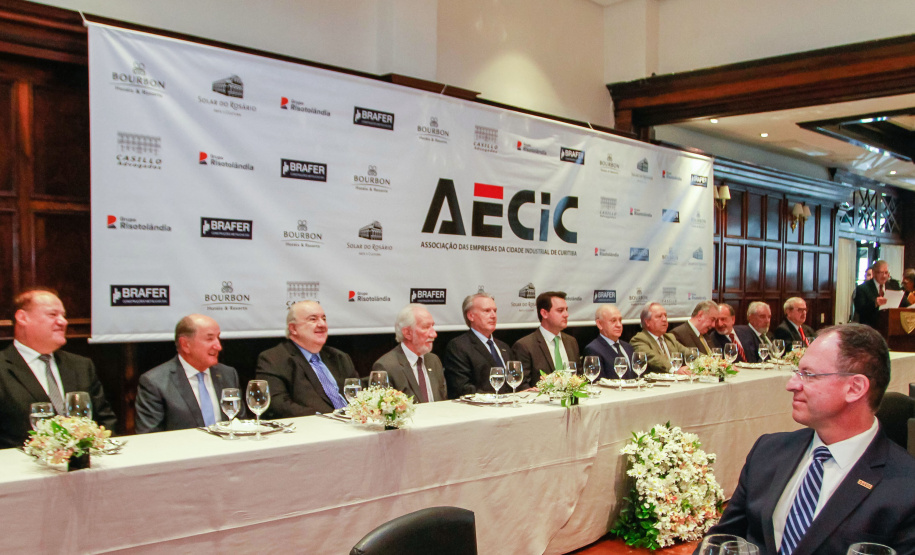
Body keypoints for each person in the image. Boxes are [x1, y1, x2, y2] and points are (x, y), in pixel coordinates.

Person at [696, 324, 915, 553]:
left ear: (855, 388)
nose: (791, 384)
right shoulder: (768, 451)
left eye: (808, 375)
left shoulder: (906, 487)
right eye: (797, 373)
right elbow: (723, 539)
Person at [0, 288, 116, 449]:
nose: (63, 322)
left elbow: (105, 422)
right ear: (22, 318)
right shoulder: (3, 368)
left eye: (63, 315)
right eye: (52, 315)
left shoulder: (81, 366)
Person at [135, 314, 240, 433]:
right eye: (209, 339)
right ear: (185, 344)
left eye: (218, 338)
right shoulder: (155, 382)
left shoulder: (228, 374)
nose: (218, 346)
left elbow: (239, 425)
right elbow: (149, 437)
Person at [256, 301, 358, 417]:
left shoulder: (339, 357)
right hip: (314, 429)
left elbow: (358, 395)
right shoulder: (274, 359)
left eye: (324, 319)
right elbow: (278, 404)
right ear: (293, 328)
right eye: (313, 319)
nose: (322, 324)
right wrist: (325, 419)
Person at [443, 293, 516, 397]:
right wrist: (496, 397)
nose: (493, 315)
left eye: (495, 311)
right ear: (470, 316)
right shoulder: (459, 346)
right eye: (487, 311)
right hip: (479, 409)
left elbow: (513, 381)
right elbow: (462, 387)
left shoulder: (503, 347)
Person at [372, 304, 447, 402]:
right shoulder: (386, 366)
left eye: (432, 326)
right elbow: (384, 411)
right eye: (426, 327)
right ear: (407, 333)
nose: (434, 334)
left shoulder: (434, 361)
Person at [512, 291, 580, 386]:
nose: (566, 314)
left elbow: (579, 376)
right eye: (560, 310)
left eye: (566, 310)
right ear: (544, 313)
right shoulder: (525, 346)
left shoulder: (571, 342)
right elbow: (521, 385)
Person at [630, 302, 690, 375]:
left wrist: (705, 361)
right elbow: (654, 358)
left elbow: (688, 353)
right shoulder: (639, 339)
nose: (664, 319)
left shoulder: (669, 338)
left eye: (665, 316)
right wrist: (674, 369)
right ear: (647, 322)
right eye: (659, 316)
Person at [583, 305, 636, 379]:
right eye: (613, 321)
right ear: (599, 324)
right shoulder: (593, 349)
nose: (619, 325)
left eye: (620, 320)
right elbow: (597, 382)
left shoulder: (628, 347)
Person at [853, 260, 900, 328]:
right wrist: (874, 303)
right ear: (874, 273)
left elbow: (904, 303)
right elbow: (860, 309)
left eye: (886, 273)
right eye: (881, 273)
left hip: (890, 327)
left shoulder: (893, 286)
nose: (884, 276)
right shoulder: (863, 288)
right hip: (870, 328)